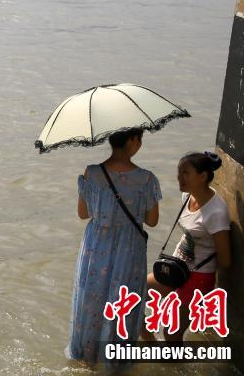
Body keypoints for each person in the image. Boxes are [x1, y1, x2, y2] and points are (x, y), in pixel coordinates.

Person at [67, 128, 161, 363]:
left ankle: (87, 359)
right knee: (123, 304)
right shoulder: (146, 178)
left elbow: (82, 214)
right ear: (132, 140)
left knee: (91, 302)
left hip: (95, 245)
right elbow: (152, 221)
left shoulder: (92, 173)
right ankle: (116, 362)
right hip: (129, 249)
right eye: (140, 138)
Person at [143, 152, 231, 342]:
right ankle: (154, 350)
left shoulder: (216, 212)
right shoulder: (187, 197)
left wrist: (195, 293)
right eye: (179, 172)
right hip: (175, 268)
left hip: (198, 276)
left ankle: (176, 368)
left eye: (185, 173)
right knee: (137, 294)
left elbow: (225, 259)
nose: (179, 177)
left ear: (202, 176)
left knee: (172, 332)